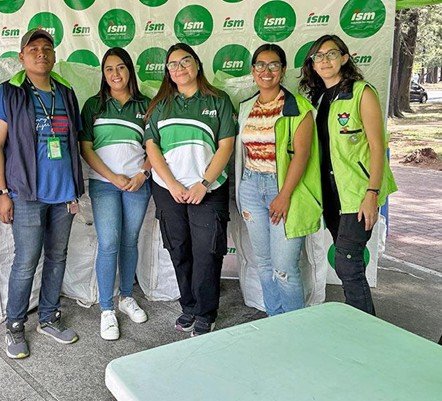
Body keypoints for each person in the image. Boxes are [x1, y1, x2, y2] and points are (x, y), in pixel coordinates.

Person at [0, 28, 84, 358]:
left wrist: (74, 189)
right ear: (21, 56)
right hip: (26, 194)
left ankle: (49, 318)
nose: (41, 53)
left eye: (47, 48)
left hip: (64, 193)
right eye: (33, 49)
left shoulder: (66, 92)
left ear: (54, 56)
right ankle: (15, 325)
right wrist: (1, 192)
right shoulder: (9, 93)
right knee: (26, 261)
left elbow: (73, 142)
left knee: (57, 257)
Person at [299, 34, 397, 315]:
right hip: (331, 194)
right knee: (347, 263)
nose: (325, 60)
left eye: (331, 54)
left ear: (344, 58)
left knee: (347, 263)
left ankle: (364, 326)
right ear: (312, 64)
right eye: (318, 56)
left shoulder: (361, 93)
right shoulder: (318, 99)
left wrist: (372, 193)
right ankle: (358, 319)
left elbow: (378, 147)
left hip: (358, 193)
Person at [144, 43, 235, 336]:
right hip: (168, 189)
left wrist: (204, 183)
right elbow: (152, 147)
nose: (179, 68)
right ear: (167, 72)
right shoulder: (160, 105)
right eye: (172, 64)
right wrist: (172, 184)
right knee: (179, 248)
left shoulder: (218, 100)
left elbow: (226, 145)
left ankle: (206, 311)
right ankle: (189, 306)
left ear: (197, 64)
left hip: (208, 189)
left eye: (185, 61)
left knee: (207, 251)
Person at [234, 44, 322, 316]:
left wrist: (283, 195)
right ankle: (274, 320)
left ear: (283, 70)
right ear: (253, 71)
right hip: (251, 187)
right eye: (260, 65)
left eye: (273, 65)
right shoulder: (246, 107)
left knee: (284, 268)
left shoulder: (299, 108)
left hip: (284, 188)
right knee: (263, 264)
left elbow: (302, 155)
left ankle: (294, 328)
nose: (266, 71)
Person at [80, 48, 152, 340]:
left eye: (120, 67)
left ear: (130, 70)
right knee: (109, 242)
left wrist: (142, 174)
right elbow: (86, 148)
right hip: (104, 184)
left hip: (137, 184)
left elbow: (155, 148)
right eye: (109, 69)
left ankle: (126, 297)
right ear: (103, 74)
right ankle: (107, 309)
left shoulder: (146, 105)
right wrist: (113, 177)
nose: (115, 74)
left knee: (129, 241)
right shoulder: (94, 105)